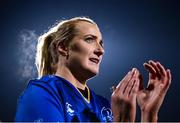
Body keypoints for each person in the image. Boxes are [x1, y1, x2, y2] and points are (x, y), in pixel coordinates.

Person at [15, 17, 171, 122]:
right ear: (63, 47)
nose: (100, 50)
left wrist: (148, 114)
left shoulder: (104, 104)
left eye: (101, 43)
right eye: (89, 39)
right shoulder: (42, 92)